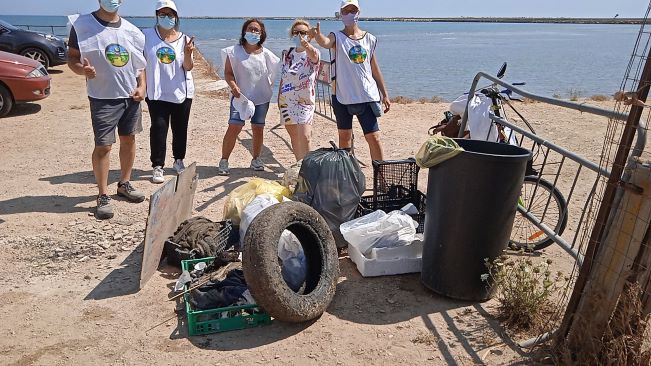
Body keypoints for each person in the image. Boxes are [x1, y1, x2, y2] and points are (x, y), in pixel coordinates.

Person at [67, 0, 146, 220]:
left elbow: (139, 65)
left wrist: (142, 86)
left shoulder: (132, 31)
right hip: (102, 97)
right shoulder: (82, 25)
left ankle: (124, 183)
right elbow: (72, 58)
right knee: (103, 146)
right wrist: (82, 70)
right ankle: (102, 194)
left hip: (130, 96)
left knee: (129, 139)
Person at [309, 0, 391, 161]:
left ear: (359, 12)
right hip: (342, 96)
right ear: (340, 14)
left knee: (374, 138)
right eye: (345, 11)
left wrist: (385, 93)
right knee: (345, 138)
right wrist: (318, 35)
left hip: (366, 96)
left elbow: (374, 68)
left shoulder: (370, 39)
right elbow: (326, 43)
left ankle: (380, 178)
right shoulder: (337, 37)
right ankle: (347, 175)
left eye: (353, 10)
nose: (349, 14)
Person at [218, 19, 280, 175]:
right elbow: (228, 73)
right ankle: (224, 160)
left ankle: (256, 159)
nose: (253, 32)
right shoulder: (233, 52)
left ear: (262, 34)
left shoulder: (267, 54)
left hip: (261, 98)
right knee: (234, 127)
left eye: (257, 30)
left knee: (258, 128)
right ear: (244, 31)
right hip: (240, 98)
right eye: (250, 29)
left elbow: (273, 75)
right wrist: (233, 87)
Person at [142, 0, 195, 184]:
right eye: (162, 14)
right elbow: (139, 63)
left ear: (176, 17)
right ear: (157, 16)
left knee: (180, 129)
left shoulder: (185, 39)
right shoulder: (146, 35)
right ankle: (157, 166)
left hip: (181, 92)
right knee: (158, 128)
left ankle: (178, 160)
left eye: (170, 14)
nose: (167, 18)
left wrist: (188, 53)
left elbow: (188, 67)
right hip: (156, 92)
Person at [278, 20, 321, 161]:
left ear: (309, 35)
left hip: (304, 102)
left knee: (305, 137)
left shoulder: (313, 52)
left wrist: (306, 44)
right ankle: (299, 168)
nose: (300, 35)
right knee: (295, 138)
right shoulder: (287, 53)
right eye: (296, 32)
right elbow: (283, 77)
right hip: (286, 101)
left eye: (303, 32)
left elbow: (314, 58)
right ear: (292, 34)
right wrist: (279, 97)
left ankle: (309, 171)